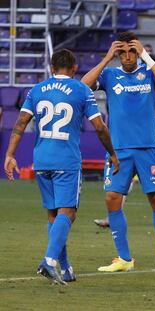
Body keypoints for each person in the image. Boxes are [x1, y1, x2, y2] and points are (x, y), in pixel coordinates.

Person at [3, 49, 119, 285]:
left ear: (51, 68)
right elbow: (99, 127)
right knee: (68, 213)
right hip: (66, 161)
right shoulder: (82, 91)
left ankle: (65, 269)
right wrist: (113, 153)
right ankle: (49, 261)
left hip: (41, 159)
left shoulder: (36, 90)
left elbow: (20, 123)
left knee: (54, 214)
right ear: (75, 68)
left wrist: (10, 154)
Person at [81, 31, 155, 273]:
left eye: (131, 51)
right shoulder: (110, 74)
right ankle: (124, 258)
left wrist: (145, 55)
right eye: (122, 52)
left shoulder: (149, 73)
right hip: (118, 151)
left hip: (147, 149)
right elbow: (83, 86)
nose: (127, 56)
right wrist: (106, 58)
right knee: (112, 199)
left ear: (137, 51)